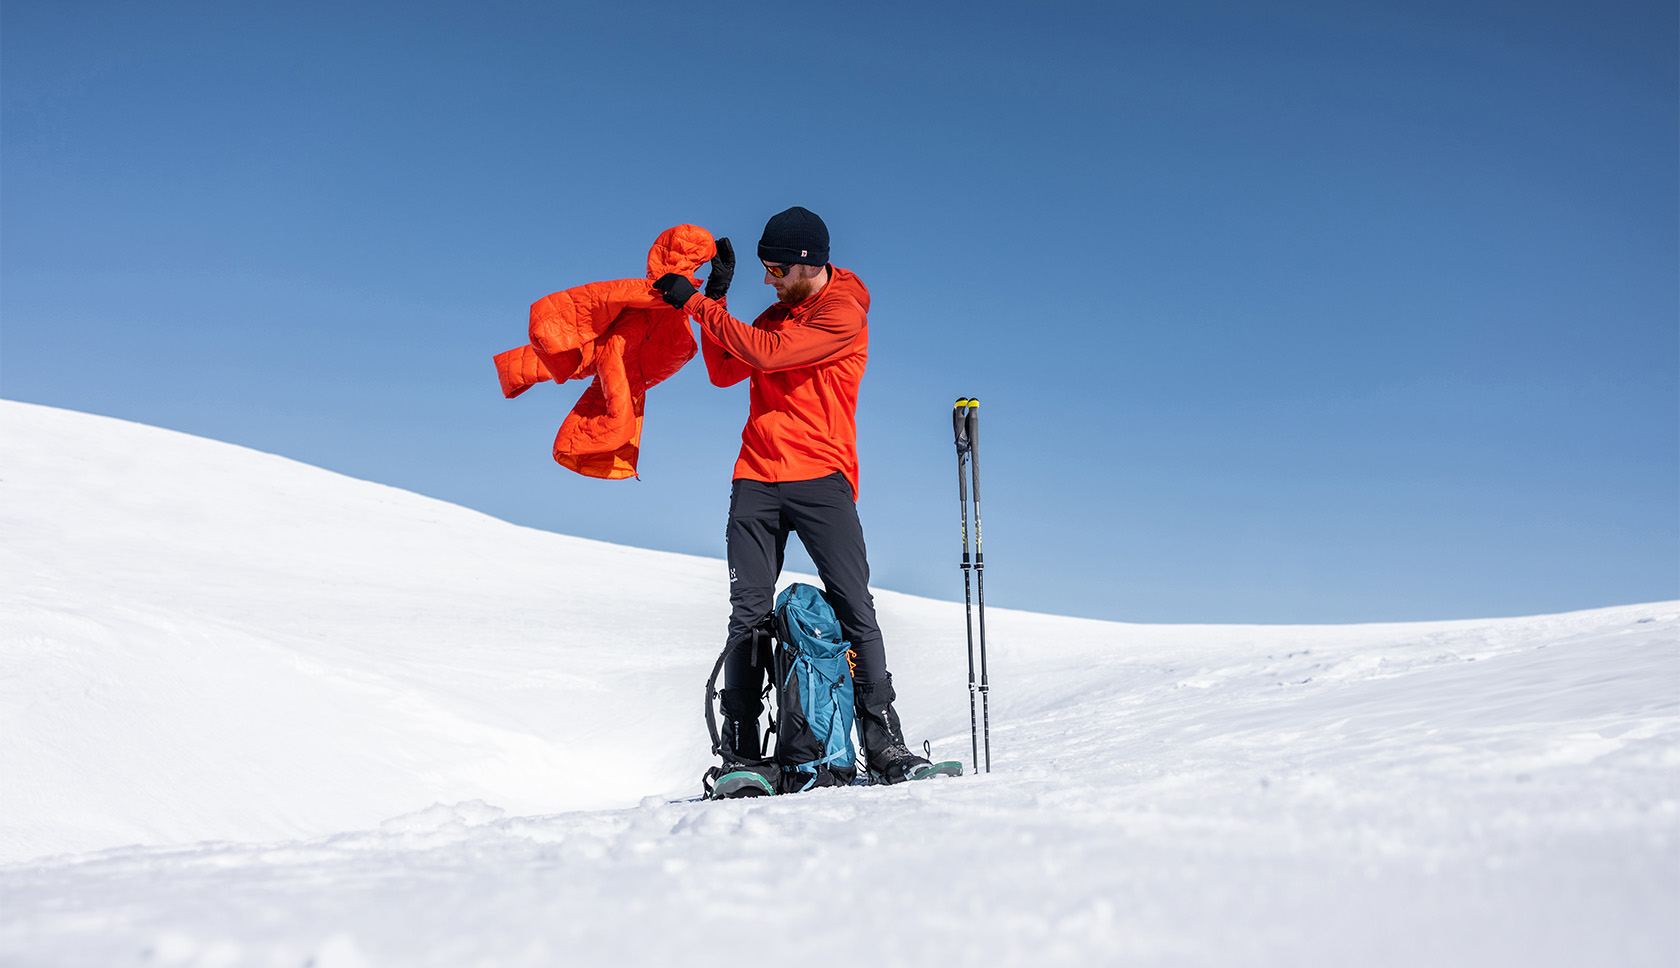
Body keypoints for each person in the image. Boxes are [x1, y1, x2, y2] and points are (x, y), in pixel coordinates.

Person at [654, 206, 935, 791]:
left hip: (820, 476)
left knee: (854, 605)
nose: (769, 279)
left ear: (807, 264)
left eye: (775, 269)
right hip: (756, 474)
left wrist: (697, 305)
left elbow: (766, 355)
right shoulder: (777, 313)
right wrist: (716, 298)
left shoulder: (842, 312)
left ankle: (885, 744)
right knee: (747, 615)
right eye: (762, 269)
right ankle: (741, 755)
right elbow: (725, 370)